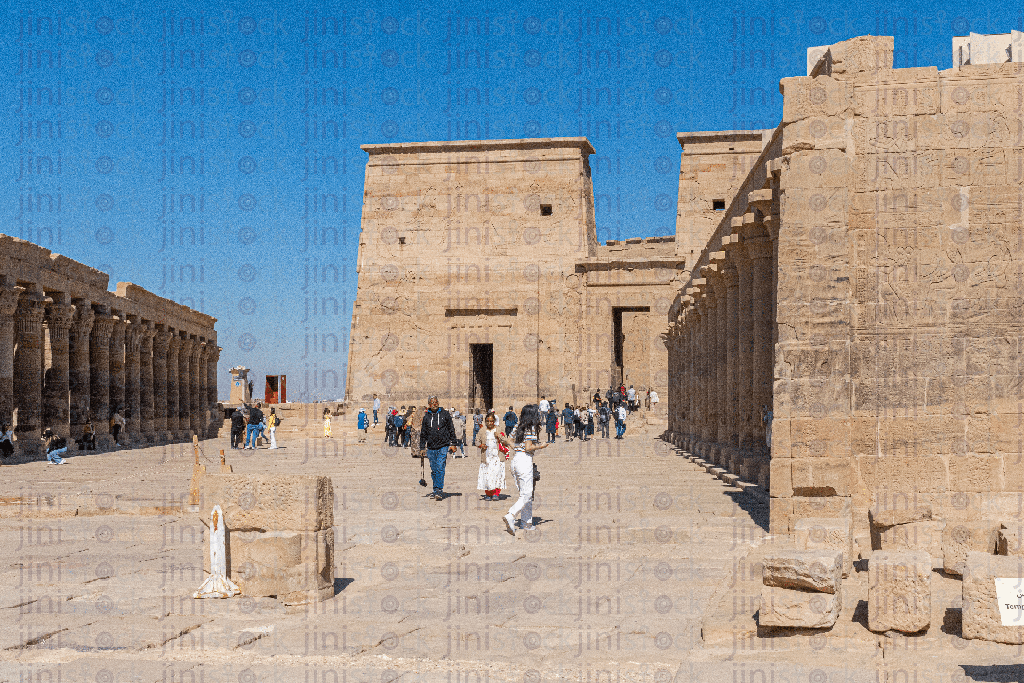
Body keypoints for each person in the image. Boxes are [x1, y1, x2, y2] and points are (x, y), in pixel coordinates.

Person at [496, 404, 547, 534]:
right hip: (524, 461)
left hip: (515, 461)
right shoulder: (531, 428)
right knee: (527, 494)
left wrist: (513, 445)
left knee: (524, 494)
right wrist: (541, 446)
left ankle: (526, 523)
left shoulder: (518, 427)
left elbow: (509, 442)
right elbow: (528, 447)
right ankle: (511, 515)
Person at [419, 396, 458, 500]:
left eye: (436, 402)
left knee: (440, 467)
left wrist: (453, 443)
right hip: (431, 447)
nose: (434, 404)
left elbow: (451, 429)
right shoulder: (426, 417)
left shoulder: (445, 414)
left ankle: (438, 490)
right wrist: (422, 447)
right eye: (432, 403)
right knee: (434, 469)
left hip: (443, 446)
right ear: (429, 404)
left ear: (438, 402)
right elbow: (423, 433)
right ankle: (436, 488)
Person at [476, 413, 506, 501]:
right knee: (487, 475)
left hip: (497, 456)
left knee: (497, 474)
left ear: (494, 422)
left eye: (491, 421)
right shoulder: (482, 430)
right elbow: (476, 441)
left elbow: (505, 440)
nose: (489, 423)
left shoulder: (499, 429)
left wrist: (499, 436)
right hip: (486, 457)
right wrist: (481, 445)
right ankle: (488, 494)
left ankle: (496, 494)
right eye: (488, 421)